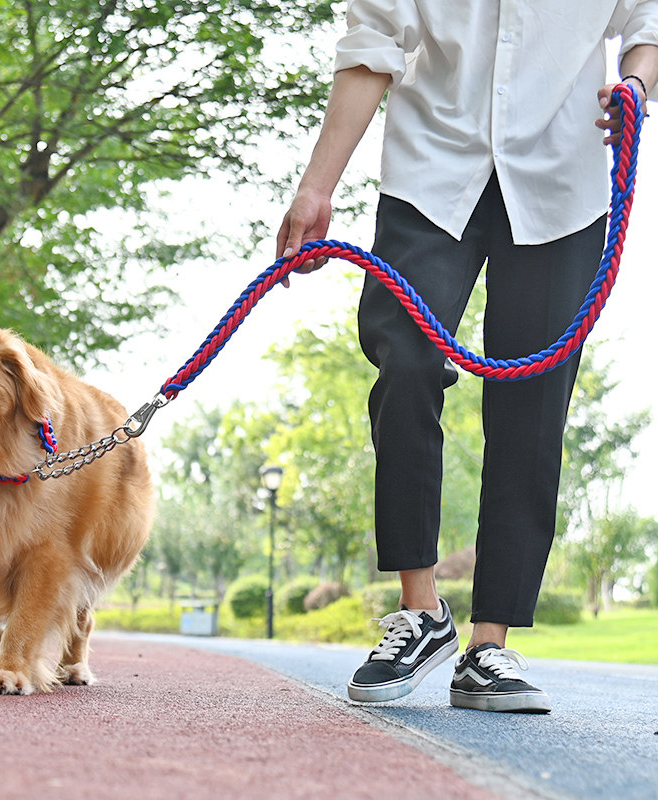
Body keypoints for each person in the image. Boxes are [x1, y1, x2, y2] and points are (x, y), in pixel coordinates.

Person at [276, 1, 658, 713]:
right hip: (431, 171)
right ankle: (421, 611)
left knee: (534, 404)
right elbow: (372, 42)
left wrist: (636, 84)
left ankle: (491, 645)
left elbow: (648, 23)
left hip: (561, 183)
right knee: (407, 361)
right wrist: (317, 185)